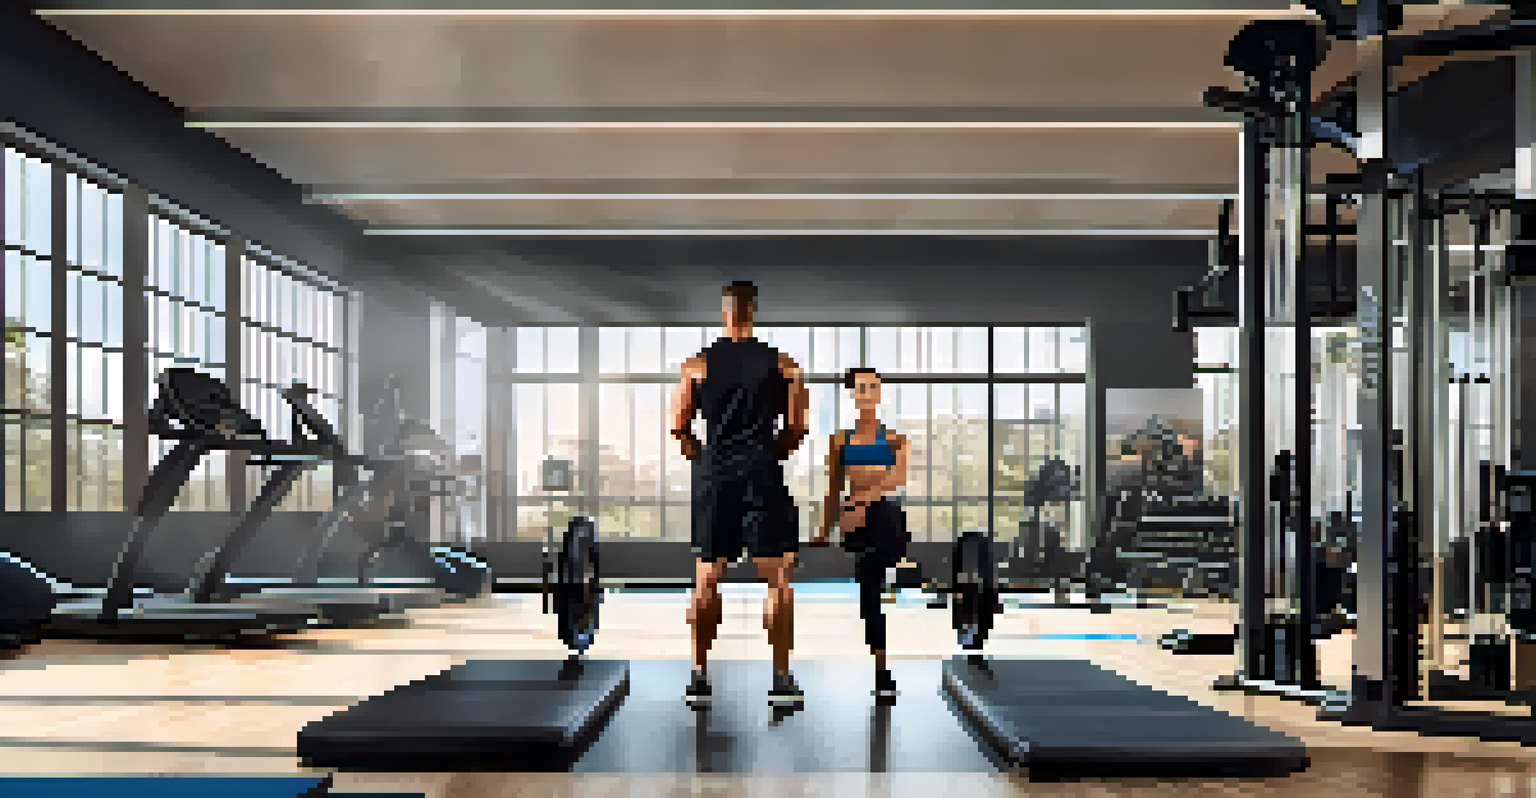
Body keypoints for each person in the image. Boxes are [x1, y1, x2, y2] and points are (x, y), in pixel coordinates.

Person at [670, 281, 809, 709]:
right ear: (753, 312)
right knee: (778, 578)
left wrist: (707, 462)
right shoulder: (785, 365)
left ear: (725, 312)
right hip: (762, 472)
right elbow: (797, 427)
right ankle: (781, 679)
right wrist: (766, 455)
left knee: (707, 577)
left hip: (716, 476)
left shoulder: (696, 366)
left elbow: (679, 427)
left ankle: (698, 676)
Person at [811, 367, 910, 702]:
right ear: (852, 395)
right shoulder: (839, 441)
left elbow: (897, 478)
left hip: (883, 516)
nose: (867, 393)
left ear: (879, 394)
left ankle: (901, 571)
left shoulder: (896, 440)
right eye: (861, 388)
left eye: (873, 387)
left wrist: (865, 498)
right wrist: (823, 530)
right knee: (868, 596)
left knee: (878, 578)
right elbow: (833, 489)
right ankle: (882, 670)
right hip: (857, 521)